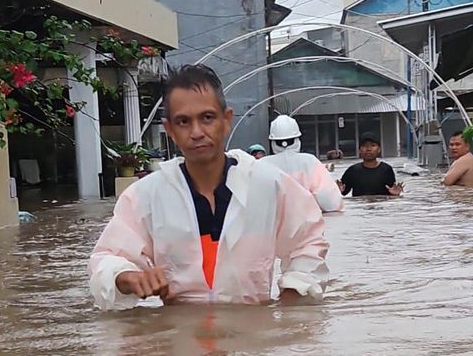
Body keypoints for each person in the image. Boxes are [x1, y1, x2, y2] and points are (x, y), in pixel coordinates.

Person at [88, 64, 329, 310]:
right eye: (183, 121)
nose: (196, 132)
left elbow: (308, 241)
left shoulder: (269, 184)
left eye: (207, 118)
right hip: (179, 337)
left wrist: (289, 301)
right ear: (169, 129)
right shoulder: (146, 196)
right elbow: (106, 259)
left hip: (252, 335)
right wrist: (128, 277)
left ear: (226, 120)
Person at [262, 115, 344, 213]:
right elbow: (331, 203)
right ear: (297, 139)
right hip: (308, 224)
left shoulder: (260, 165)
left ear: (272, 141)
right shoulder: (310, 162)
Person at [337, 132, 404, 197]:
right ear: (359, 150)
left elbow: (391, 192)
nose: (368, 149)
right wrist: (337, 191)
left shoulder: (386, 169)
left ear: (379, 149)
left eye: (373, 145)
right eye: (364, 146)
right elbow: (343, 192)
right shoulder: (353, 170)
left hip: (380, 206)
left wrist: (395, 195)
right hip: (360, 207)